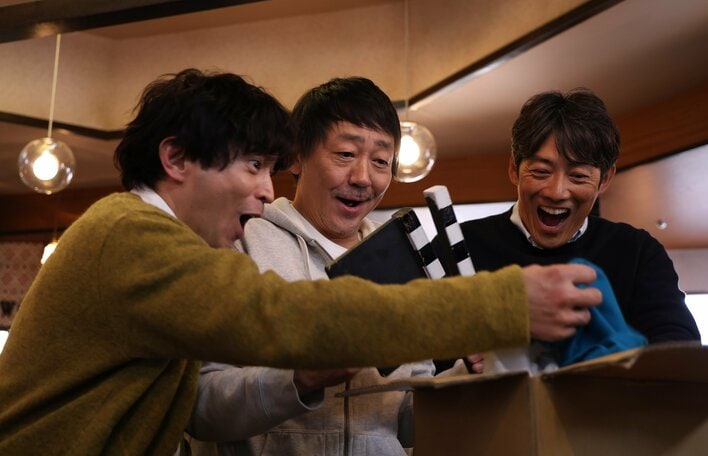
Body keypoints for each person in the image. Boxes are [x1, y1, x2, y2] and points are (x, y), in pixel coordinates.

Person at [0, 70, 601, 455]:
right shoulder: (133, 235)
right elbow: (288, 315)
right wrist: (503, 301)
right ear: (177, 158)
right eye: (254, 167)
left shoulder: (150, 235)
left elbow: (405, 411)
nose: (267, 191)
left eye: (382, 161)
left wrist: (466, 385)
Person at [187, 77, 479, 455]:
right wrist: (300, 379)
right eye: (345, 154)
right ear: (297, 156)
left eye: (380, 161)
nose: (362, 178)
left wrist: (467, 377)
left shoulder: (401, 256)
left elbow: (404, 424)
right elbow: (200, 406)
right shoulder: (239, 241)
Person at [434, 88, 699, 367]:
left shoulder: (637, 252)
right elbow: (425, 361)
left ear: (605, 179)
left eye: (578, 176)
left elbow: (679, 352)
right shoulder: (459, 247)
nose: (557, 192)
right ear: (514, 169)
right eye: (541, 172)